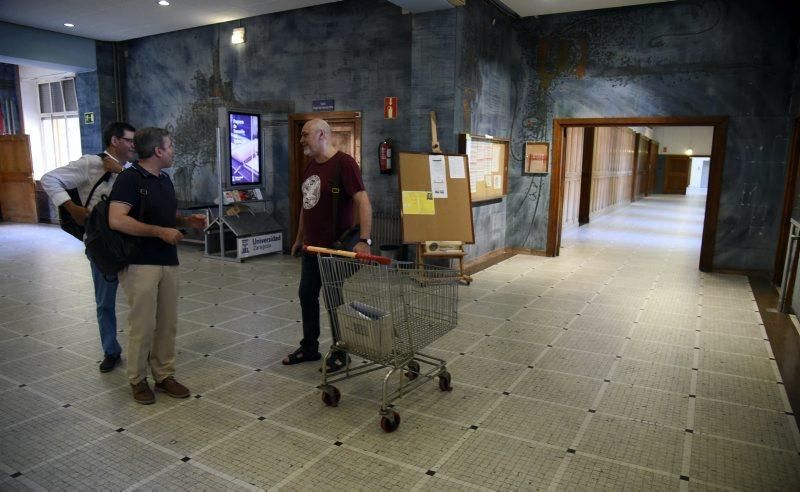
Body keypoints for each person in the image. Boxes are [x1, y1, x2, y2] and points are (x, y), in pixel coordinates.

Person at [108, 127, 207, 404]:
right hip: (140, 262)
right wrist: (160, 232)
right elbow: (117, 219)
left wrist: (185, 221)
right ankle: (138, 380)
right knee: (142, 324)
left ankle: (163, 375)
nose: (174, 150)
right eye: (170, 146)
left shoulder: (164, 179)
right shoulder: (129, 179)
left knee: (166, 323)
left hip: (167, 260)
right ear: (158, 151)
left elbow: (164, 215)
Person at [41, 121, 136, 373]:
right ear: (114, 141)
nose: (132, 146)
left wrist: (121, 172)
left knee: (140, 300)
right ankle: (110, 350)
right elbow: (48, 179)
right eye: (128, 140)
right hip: (102, 245)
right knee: (104, 301)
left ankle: (141, 350)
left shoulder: (130, 171)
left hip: (131, 243)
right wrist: (71, 208)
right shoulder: (89, 164)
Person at [283, 118, 372, 372]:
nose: (301, 140)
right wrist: (300, 238)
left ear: (322, 134)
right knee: (306, 295)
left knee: (334, 299)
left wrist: (364, 240)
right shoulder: (311, 166)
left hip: (335, 248)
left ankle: (341, 352)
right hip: (313, 248)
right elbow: (306, 205)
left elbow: (364, 202)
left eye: (305, 135)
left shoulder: (344, 164)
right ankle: (310, 347)